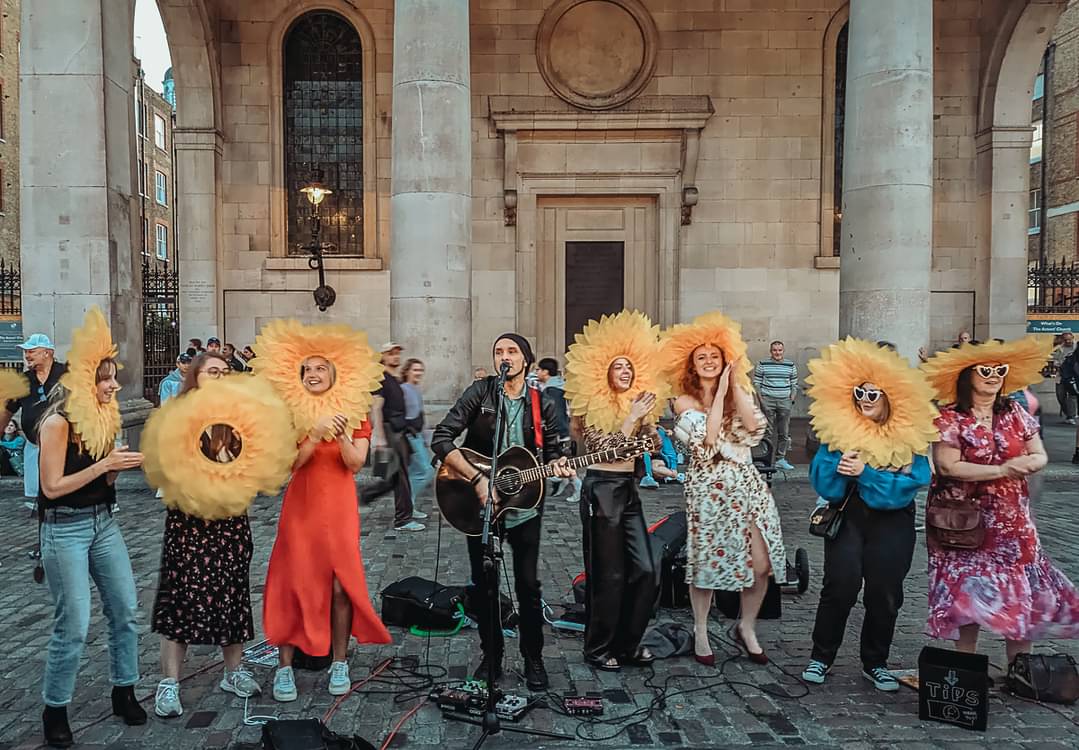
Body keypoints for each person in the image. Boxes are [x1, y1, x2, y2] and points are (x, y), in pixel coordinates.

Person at [255, 319, 391, 701]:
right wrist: (312, 434)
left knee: (339, 585)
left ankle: (340, 662)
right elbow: (288, 467)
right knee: (293, 583)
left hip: (338, 506)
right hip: (300, 507)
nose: (313, 374)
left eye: (320, 368)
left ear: (334, 373)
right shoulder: (289, 409)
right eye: (307, 369)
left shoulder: (357, 409)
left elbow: (354, 464)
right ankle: (284, 668)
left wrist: (344, 431)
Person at [922, 337, 1079, 664]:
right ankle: (967, 671)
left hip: (1013, 522)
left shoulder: (1015, 412)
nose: (994, 376)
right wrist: (1004, 468)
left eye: (1000, 370)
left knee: (1020, 593)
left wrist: (1031, 463)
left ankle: (1020, 670)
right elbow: (948, 465)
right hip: (962, 522)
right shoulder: (952, 417)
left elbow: (1039, 454)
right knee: (965, 596)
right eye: (985, 370)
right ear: (967, 375)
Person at [431, 333, 574, 690]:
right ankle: (491, 657)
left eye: (511, 351)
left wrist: (560, 464)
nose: (504, 357)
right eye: (498, 352)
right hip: (476, 505)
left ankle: (533, 658)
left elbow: (557, 448)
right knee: (485, 586)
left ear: (525, 359)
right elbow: (442, 437)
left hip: (525, 506)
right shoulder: (480, 394)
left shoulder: (545, 401)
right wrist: (477, 479)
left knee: (528, 586)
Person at [36, 307, 146, 747]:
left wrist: (117, 468)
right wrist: (105, 463)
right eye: (105, 378)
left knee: (125, 610)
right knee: (74, 624)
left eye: (113, 376)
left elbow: (103, 479)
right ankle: (55, 709)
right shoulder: (58, 423)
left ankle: (125, 690)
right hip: (64, 529)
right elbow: (51, 486)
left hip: (104, 524)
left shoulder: (104, 416)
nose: (114, 384)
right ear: (85, 382)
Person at [800, 339, 935, 691]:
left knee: (885, 592)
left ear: (890, 396)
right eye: (860, 392)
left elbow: (907, 486)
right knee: (839, 586)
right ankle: (821, 655)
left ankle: (875, 661)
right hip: (849, 517)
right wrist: (841, 464)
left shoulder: (909, 437)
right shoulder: (839, 433)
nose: (865, 399)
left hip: (893, 522)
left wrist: (866, 473)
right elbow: (827, 486)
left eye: (874, 393)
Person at [664, 312, 786, 666]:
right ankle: (701, 629)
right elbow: (709, 439)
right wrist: (718, 396)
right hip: (708, 487)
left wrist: (734, 387)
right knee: (706, 563)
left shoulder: (739, 390)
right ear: (691, 364)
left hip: (748, 483)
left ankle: (746, 626)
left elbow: (755, 430)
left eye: (714, 357)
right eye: (701, 357)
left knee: (760, 563)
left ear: (725, 361)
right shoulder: (682, 401)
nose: (708, 361)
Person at [150, 352, 261, 719]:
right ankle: (169, 683)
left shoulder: (238, 420)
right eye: (213, 371)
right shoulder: (177, 418)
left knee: (232, 592)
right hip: (190, 523)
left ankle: (234, 670)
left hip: (229, 523)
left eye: (224, 372)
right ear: (195, 376)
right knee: (180, 596)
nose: (220, 376)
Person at [564, 310, 667, 671]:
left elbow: (651, 448)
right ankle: (598, 648)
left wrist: (649, 423)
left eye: (629, 367)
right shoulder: (592, 406)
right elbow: (602, 447)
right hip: (601, 488)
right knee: (608, 574)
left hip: (628, 488)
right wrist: (631, 418)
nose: (625, 371)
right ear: (604, 372)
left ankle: (628, 642)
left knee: (647, 567)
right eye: (618, 366)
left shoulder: (637, 406)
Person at [0, 333, 68, 507]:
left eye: (32, 351)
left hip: (64, 445)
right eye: (26, 352)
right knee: (37, 492)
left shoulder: (66, 375)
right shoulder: (23, 380)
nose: (27, 355)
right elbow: (7, 411)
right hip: (34, 444)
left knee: (63, 488)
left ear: (48, 353)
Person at [360, 343, 422, 531]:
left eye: (397, 353)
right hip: (389, 431)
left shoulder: (394, 379)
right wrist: (378, 436)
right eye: (391, 354)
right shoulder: (380, 378)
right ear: (383, 357)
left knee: (393, 476)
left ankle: (365, 497)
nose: (395, 357)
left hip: (398, 430)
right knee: (399, 475)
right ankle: (403, 519)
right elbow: (376, 408)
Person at [536, 357, 579, 500]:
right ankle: (564, 483)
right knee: (563, 463)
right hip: (561, 431)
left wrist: (559, 433)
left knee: (565, 464)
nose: (536, 373)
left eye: (538, 370)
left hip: (559, 432)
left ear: (545, 372)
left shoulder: (552, 390)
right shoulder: (557, 386)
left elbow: (557, 413)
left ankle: (577, 487)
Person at [752, 340, 798, 470]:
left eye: (780, 350)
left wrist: (791, 399)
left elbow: (794, 383)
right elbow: (757, 383)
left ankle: (780, 459)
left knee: (784, 432)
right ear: (771, 351)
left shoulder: (790, 365)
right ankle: (766, 458)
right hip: (768, 400)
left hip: (785, 401)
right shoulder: (762, 364)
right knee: (767, 431)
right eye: (774, 350)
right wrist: (762, 401)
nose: (777, 352)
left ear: (783, 351)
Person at [400, 358, 433, 518]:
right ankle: (407, 504)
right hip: (410, 435)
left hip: (418, 435)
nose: (418, 373)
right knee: (426, 470)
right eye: (415, 369)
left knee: (415, 472)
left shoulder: (416, 389)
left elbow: (421, 415)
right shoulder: (404, 389)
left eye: (420, 370)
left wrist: (426, 439)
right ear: (407, 371)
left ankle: (409, 506)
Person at [1053, 331, 1077, 425]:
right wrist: (1058, 364)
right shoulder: (1059, 349)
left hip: (1074, 376)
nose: (1068, 341)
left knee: (1072, 396)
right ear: (1063, 340)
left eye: (1069, 339)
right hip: (1061, 375)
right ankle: (1068, 413)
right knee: (1060, 396)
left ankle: (1071, 416)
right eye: (1065, 339)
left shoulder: (1077, 348)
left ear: (1073, 338)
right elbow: (1055, 360)